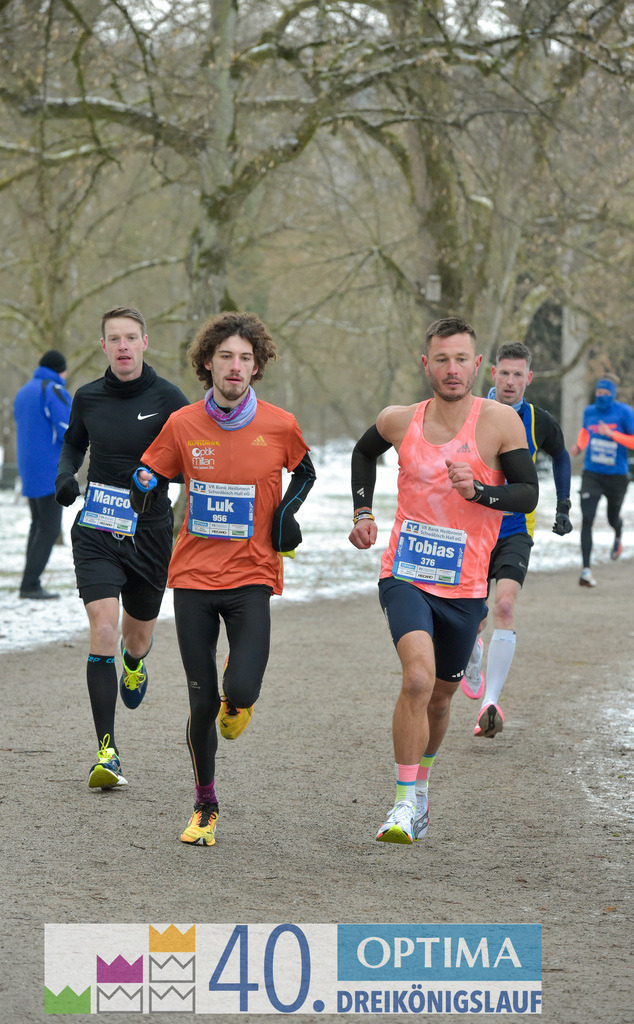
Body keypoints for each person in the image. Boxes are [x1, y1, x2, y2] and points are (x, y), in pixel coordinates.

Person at [348, 317, 538, 845]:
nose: (452, 369)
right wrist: (364, 512)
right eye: (442, 359)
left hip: (465, 586)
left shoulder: (500, 423)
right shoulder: (399, 419)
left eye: (462, 359)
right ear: (425, 363)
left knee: (440, 699)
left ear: (477, 365)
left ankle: (422, 785)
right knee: (417, 679)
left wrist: (481, 492)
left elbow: (527, 493)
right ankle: (401, 803)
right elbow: (363, 453)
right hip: (404, 573)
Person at [131, 311, 315, 847]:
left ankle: (240, 692)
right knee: (199, 699)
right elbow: (153, 475)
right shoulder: (183, 424)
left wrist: (286, 515)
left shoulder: (280, 425)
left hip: (252, 575)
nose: (235, 367)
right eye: (226, 357)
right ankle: (205, 805)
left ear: (257, 367)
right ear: (207, 363)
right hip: (191, 576)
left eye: (245, 358)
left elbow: (305, 471)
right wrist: (145, 483)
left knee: (238, 690)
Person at [54, 306, 189, 790]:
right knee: (103, 630)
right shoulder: (87, 397)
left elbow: (187, 461)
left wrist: (159, 478)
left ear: (145, 342)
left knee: (135, 638)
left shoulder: (170, 398)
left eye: (131, 337)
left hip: (150, 532)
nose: (124, 346)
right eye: (115, 339)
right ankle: (106, 752)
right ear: (105, 346)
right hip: (96, 529)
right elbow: (73, 446)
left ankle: (135, 664)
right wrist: (66, 476)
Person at [460, 343, 573, 738]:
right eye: (504, 373)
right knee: (472, 617)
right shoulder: (471, 412)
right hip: (473, 527)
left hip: (514, 529)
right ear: (492, 374)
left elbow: (560, 455)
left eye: (518, 374)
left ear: (529, 378)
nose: (510, 382)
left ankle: (489, 704)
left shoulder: (538, 421)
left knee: (504, 604)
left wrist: (563, 504)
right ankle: (471, 652)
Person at [13, 350, 73, 600]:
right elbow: (67, 428)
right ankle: (30, 585)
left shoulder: (24, 390)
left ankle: (28, 582)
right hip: (50, 470)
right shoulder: (53, 390)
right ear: (61, 369)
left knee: (37, 525)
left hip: (28, 469)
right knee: (48, 528)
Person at [569, 377, 634, 588]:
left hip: (617, 476)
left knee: (612, 517)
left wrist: (612, 434)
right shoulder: (590, 412)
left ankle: (618, 530)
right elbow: (585, 431)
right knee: (587, 517)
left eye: (606, 394)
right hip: (592, 473)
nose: (601, 397)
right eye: (598, 393)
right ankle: (586, 570)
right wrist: (579, 446)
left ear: (613, 394)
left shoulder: (624, 412)